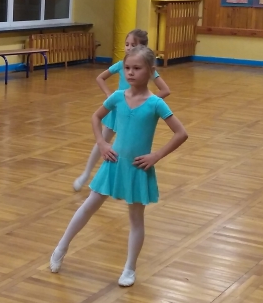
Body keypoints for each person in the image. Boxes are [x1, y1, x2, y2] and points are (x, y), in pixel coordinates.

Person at [51, 46, 188, 286]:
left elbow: (181, 133)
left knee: (136, 219)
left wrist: (156, 155)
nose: (130, 73)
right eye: (127, 68)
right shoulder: (117, 97)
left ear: (150, 71)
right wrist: (102, 143)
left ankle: (129, 268)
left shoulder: (155, 103)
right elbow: (96, 117)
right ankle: (61, 247)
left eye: (137, 68)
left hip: (137, 167)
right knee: (88, 206)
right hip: (113, 163)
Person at [73, 29, 170, 191]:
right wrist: (109, 95)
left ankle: (126, 180)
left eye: (133, 45)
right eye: (127, 44)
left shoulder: (146, 68)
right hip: (117, 111)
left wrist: (146, 104)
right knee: (102, 142)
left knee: (128, 147)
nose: (129, 48)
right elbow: (100, 78)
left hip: (134, 114)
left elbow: (165, 90)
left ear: (142, 48)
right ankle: (86, 174)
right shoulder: (121, 65)